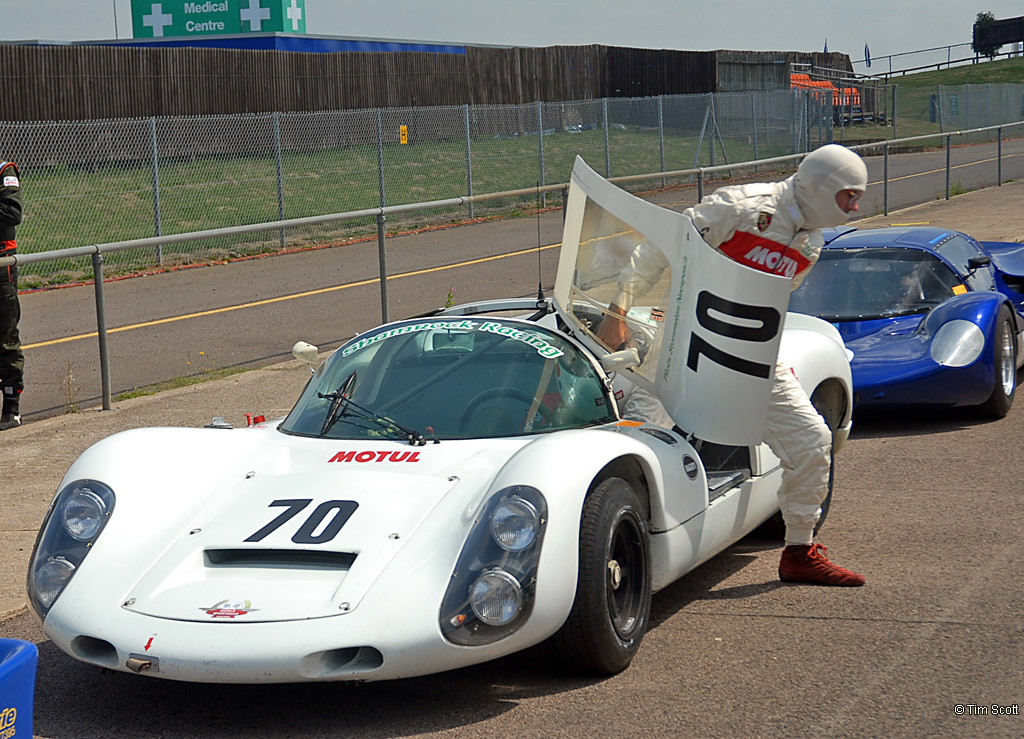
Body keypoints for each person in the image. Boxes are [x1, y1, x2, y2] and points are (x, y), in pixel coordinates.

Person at [598, 144, 868, 587]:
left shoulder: (811, 243)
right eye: (849, 196)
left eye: (858, 197)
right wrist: (619, 310)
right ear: (822, 187)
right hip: (684, 346)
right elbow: (662, 249)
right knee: (643, 447)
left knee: (812, 441)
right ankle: (622, 560)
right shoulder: (741, 207)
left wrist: (772, 357)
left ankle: (800, 551)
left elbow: (769, 306)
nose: (856, 206)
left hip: (751, 356)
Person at [0, 159, 24, 431]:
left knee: (5, 336)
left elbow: (12, 212)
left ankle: (11, 408)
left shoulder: (4, 171)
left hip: (1, 265)